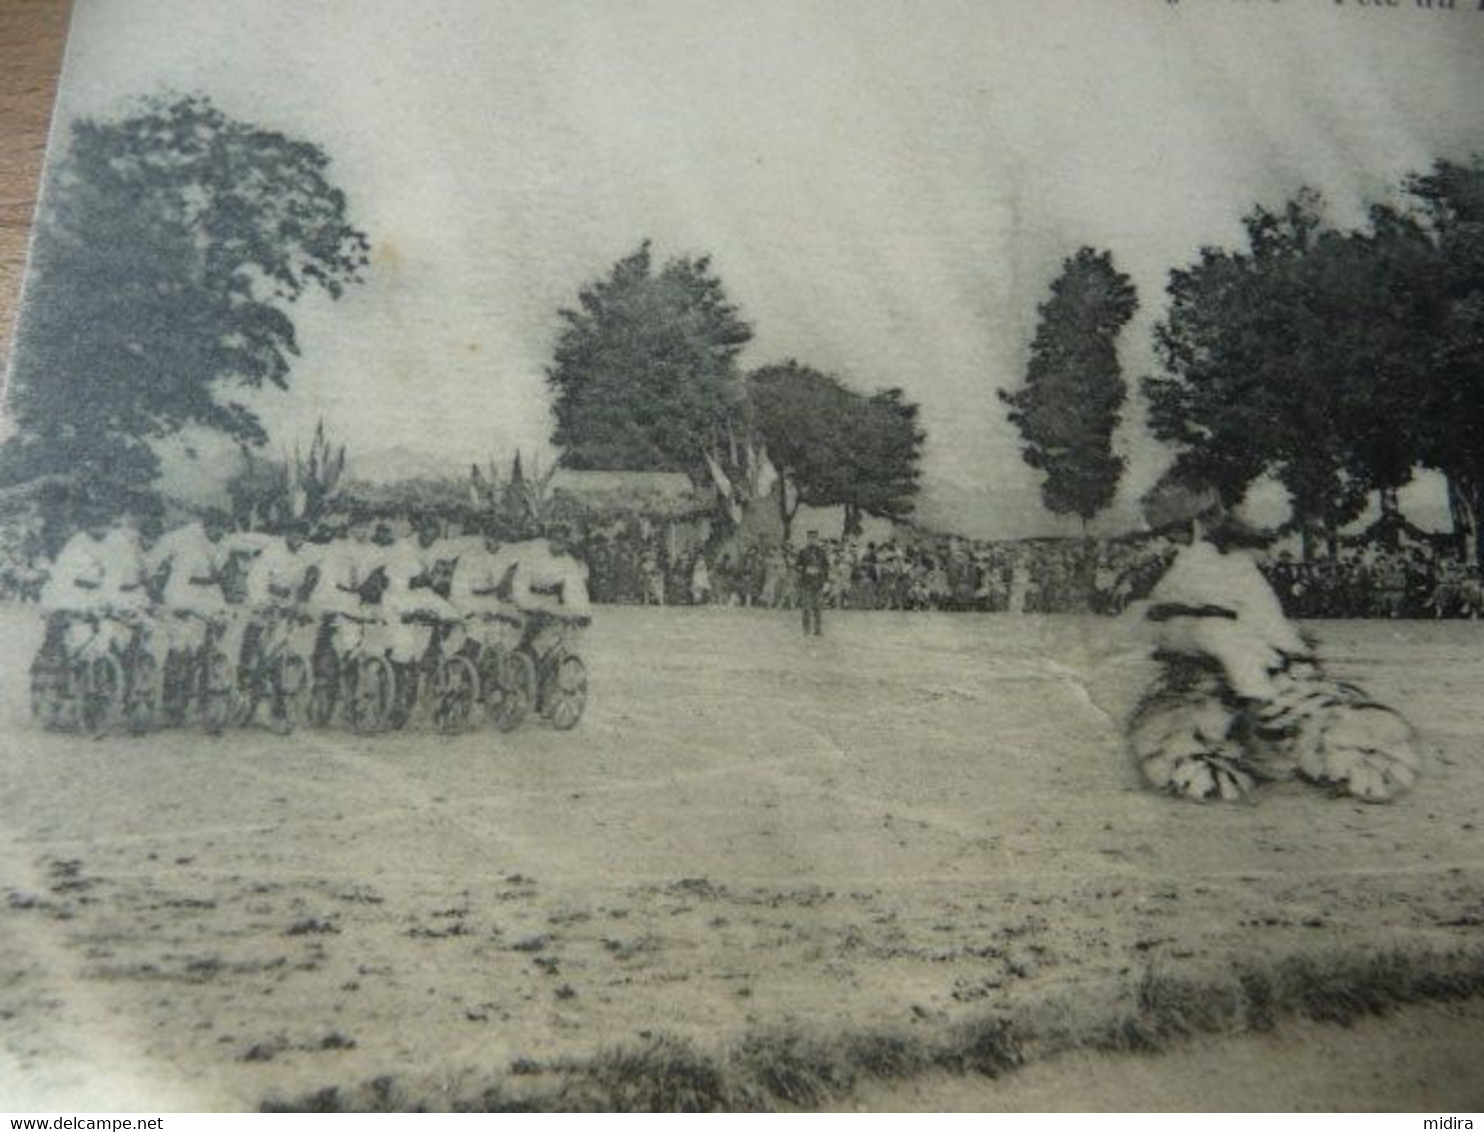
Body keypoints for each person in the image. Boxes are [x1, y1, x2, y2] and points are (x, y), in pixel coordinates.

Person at [1125, 494, 1420, 804]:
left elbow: (1237, 612)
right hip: (1213, 638)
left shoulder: (1205, 560)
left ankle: (1249, 725)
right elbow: (1260, 618)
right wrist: (1291, 648)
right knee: (1253, 675)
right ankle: (1255, 736)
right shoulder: (1229, 565)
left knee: (1247, 659)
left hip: (1193, 635)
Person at [795, 529, 829, 636]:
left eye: (814, 538)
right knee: (806, 608)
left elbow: (826, 567)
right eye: (810, 538)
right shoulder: (803, 552)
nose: (812, 540)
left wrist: (824, 578)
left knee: (818, 608)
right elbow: (797, 566)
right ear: (807, 539)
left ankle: (818, 629)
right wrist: (805, 569)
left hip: (818, 583)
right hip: (806, 582)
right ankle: (806, 630)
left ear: (817, 539)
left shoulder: (822, 552)